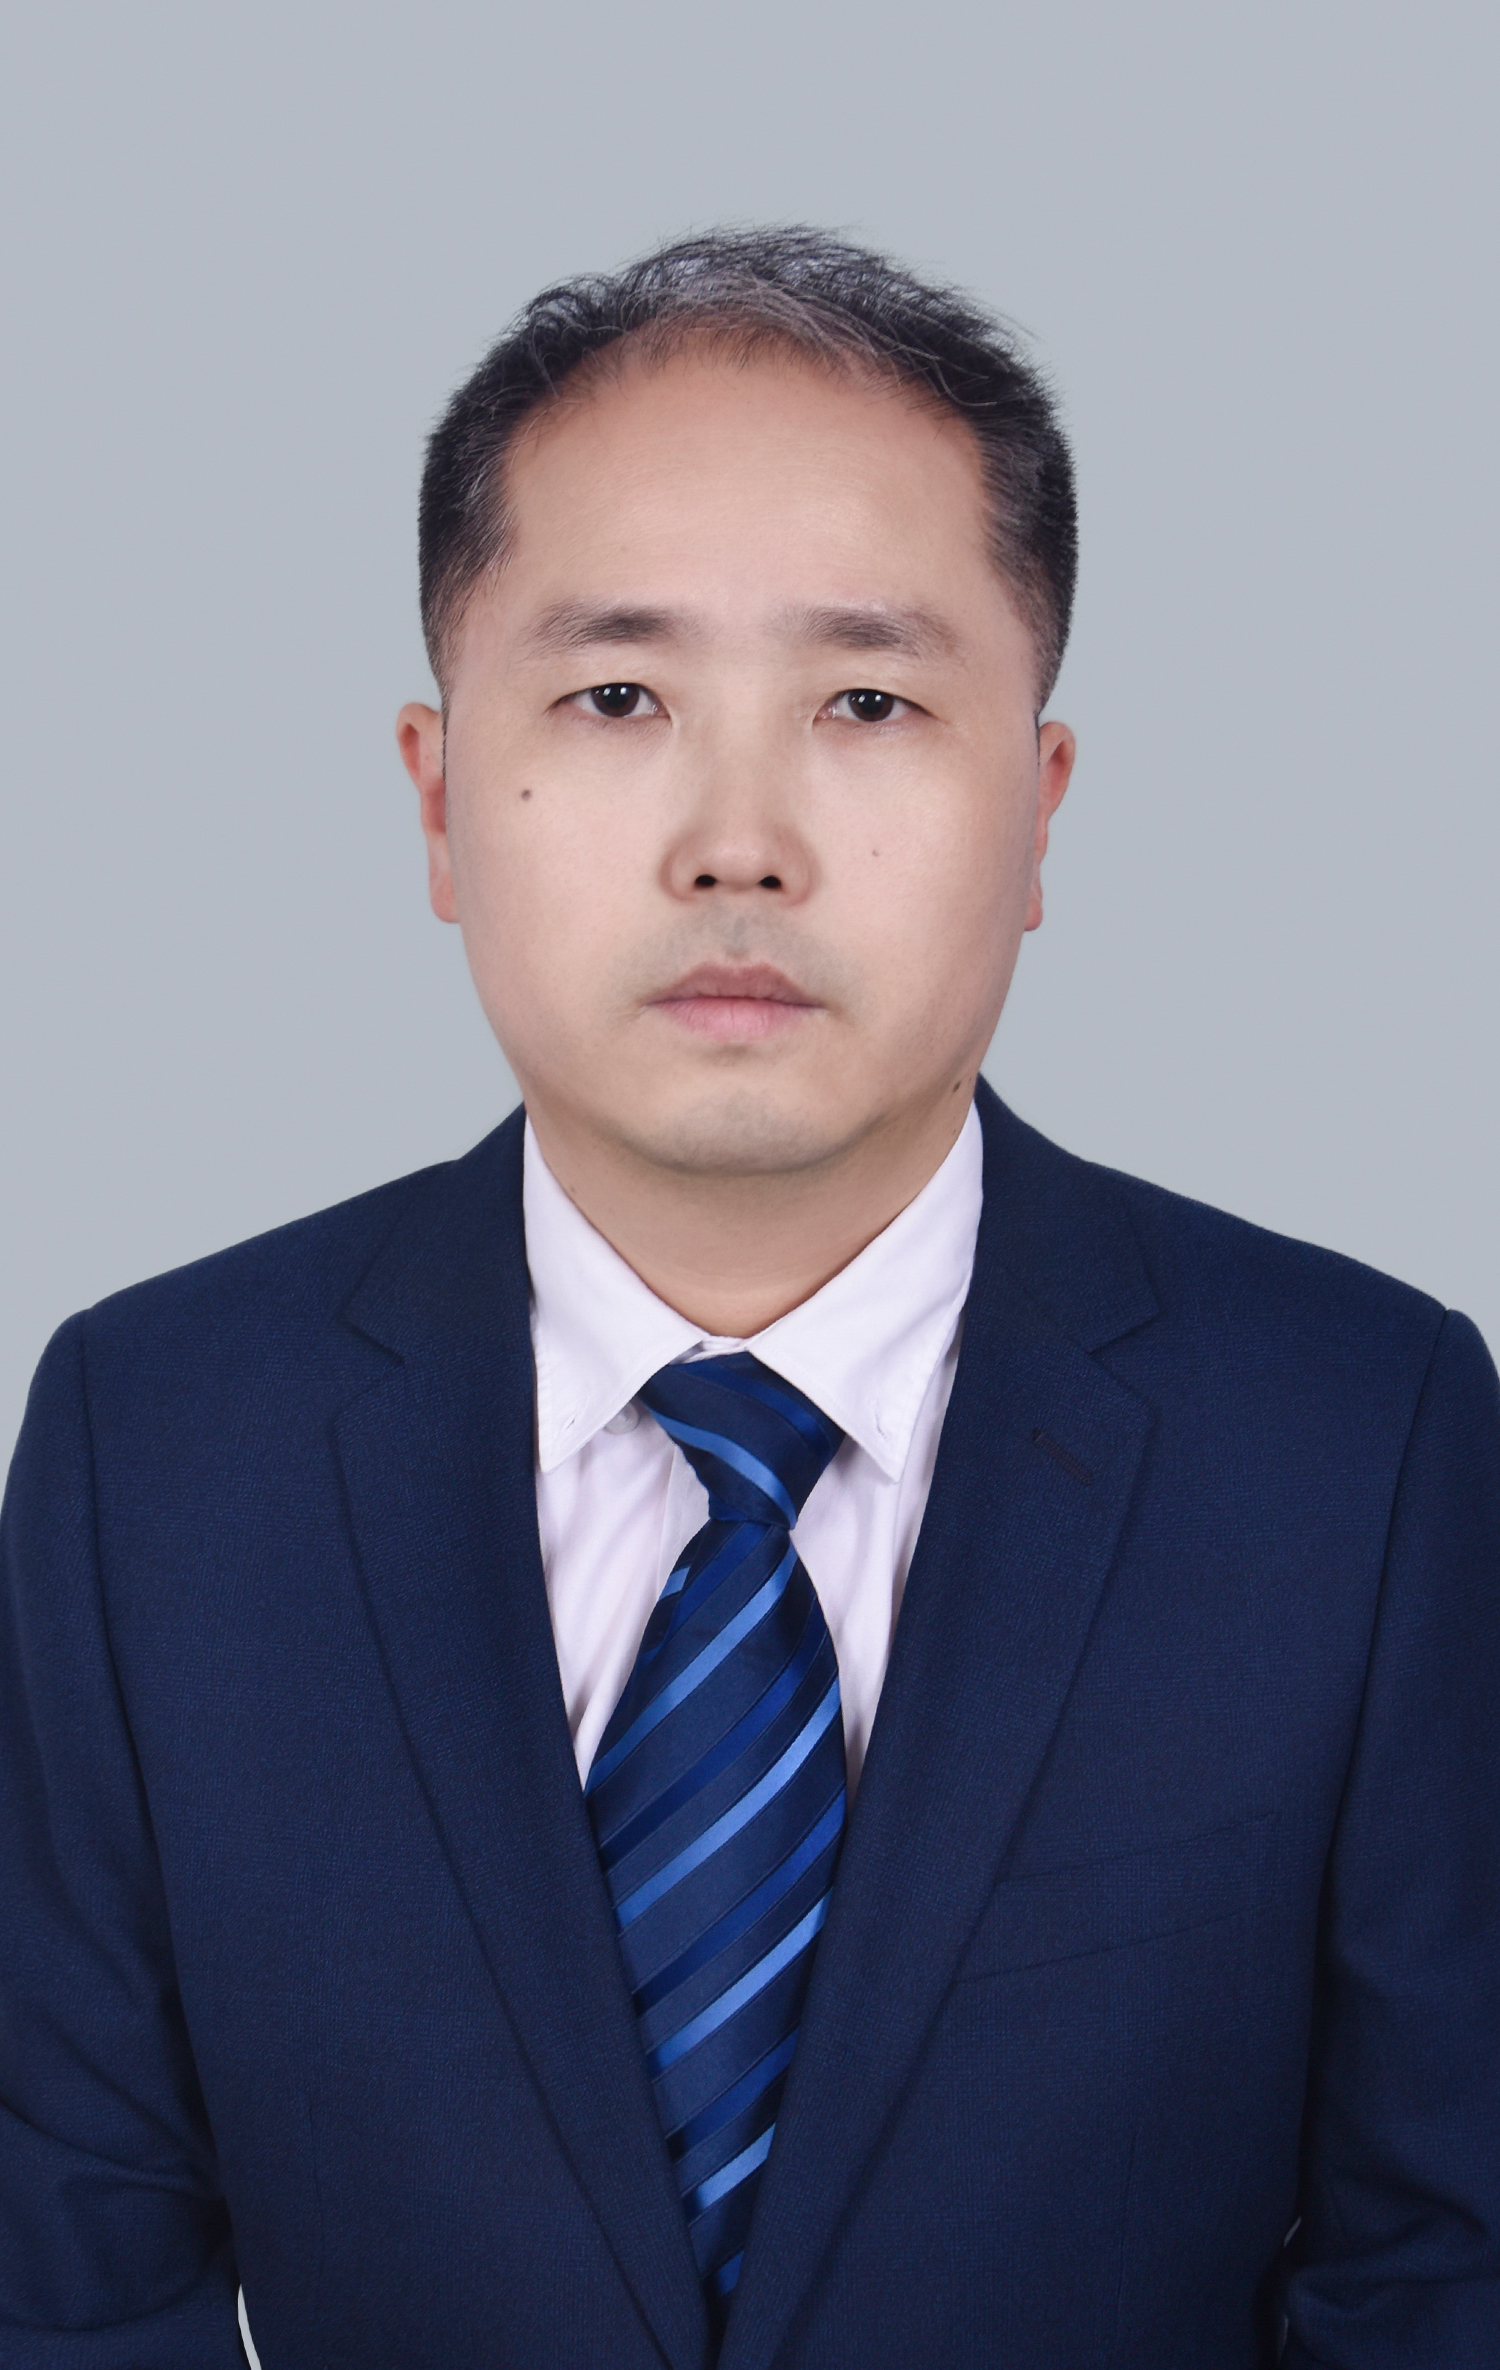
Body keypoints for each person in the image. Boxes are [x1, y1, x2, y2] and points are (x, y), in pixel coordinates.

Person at [1, 227, 1496, 2370]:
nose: (738, 844)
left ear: (1038, 811)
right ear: (438, 800)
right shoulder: (152, 1445)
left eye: (867, 703)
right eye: (617, 697)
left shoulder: (1366, 1442)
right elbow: (65, 2284)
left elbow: (1445, 2272)